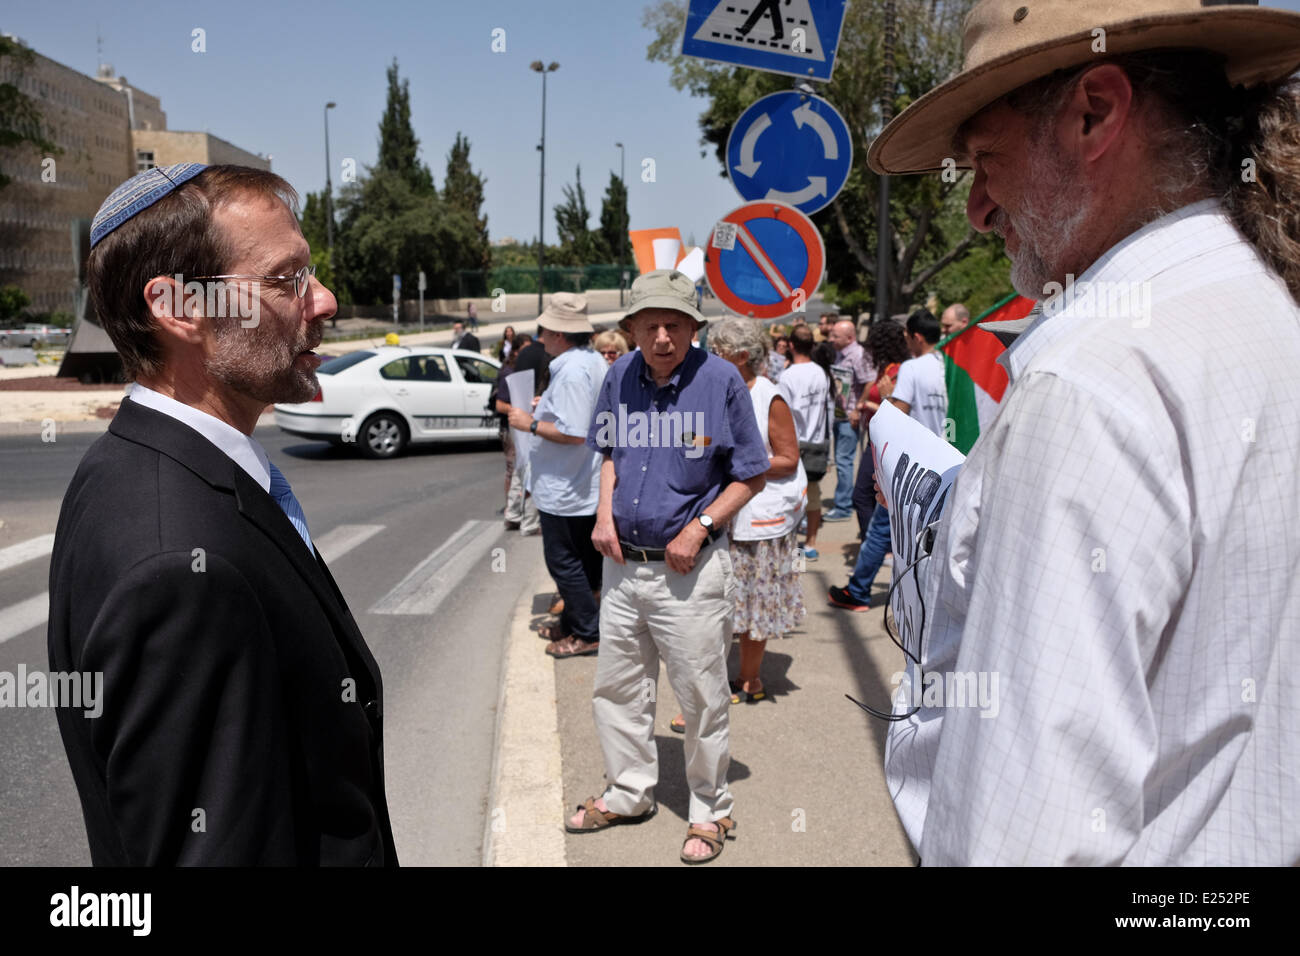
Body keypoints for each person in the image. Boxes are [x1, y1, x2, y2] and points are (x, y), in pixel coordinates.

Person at [867, 0, 1300, 865]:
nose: (978, 211)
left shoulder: (1090, 382)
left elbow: (1022, 839)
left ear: (1095, 114)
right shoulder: (1266, 312)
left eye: (987, 161)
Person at [47, 163, 398, 865]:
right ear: (178, 309)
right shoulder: (178, 563)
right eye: (284, 280)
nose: (323, 301)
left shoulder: (130, 463)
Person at [566, 269, 768, 865]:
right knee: (619, 689)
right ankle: (629, 793)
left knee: (702, 695)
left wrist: (700, 527)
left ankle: (711, 811)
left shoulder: (721, 380)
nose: (661, 337)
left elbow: (751, 471)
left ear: (693, 328)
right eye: (649, 325)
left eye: (674, 325)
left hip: (691, 571)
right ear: (629, 328)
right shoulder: (619, 374)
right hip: (622, 565)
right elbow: (607, 451)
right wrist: (602, 514)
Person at [666, 317, 805, 728]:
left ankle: (748, 678)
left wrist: (738, 465)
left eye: (718, 351)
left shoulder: (768, 396)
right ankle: (709, 693)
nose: (710, 357)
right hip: (714, 515)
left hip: (758, 519)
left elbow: (789, 457)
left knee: (753, 605)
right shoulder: (710, 390)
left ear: (742, 357)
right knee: (713, 608)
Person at [505, 293, 608, 659]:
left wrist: (529, 422)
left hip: (566, 486)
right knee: (582, 560)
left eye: (544, 330)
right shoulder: (591, 360)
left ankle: (587, 631)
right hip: (580, 482)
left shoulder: (571, 369)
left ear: (560, 334)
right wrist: (545, 408)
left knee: (564, 562)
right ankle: (576, 623)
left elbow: (575, 431)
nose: (541, 337)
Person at [829, 309, 946, 612]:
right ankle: (927, 596)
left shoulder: (912, 367)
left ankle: (859, 591)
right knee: (930, 534)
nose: (906, 341)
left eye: (908, 335)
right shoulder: (947, 365)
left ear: (917, 337)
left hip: (915, 464)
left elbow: (898, 414)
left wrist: (886, 397)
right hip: (946, 462)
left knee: (882, 528)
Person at [850, 318, 910, 539]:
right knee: (870, 496)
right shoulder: (884, 369)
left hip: (888, 442)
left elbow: (900, 412)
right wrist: (861, 407)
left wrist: (871, 404)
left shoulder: (900, 371)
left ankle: (877, 546)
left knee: (863, 495)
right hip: (874, 438)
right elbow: (872, 390)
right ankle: (877, 545)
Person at [780, 324, 830, 559]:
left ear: (791, 345)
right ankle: (810, 543)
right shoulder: (820, 372)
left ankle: (791, 544)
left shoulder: (787, 375)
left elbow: (782, 414)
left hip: (794, 442)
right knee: (814, 494)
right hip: (817, 441)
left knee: (790, 496)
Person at [823, 319, 875, 521]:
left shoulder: (858, 355)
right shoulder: (840, 353)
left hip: (849, 418)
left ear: (850, 338)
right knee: (842, 460)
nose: (831, 339)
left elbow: (870, 381)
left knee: (844, 461)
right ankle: (844, 502)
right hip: (838, 414)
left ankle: (843, 506)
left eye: (835, 336)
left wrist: (857, 408)